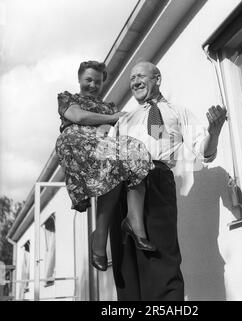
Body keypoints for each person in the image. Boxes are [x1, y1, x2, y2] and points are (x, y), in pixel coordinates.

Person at [109, 61, 227, 301]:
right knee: (127, 267)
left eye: (140, 76)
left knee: (160, 259)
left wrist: (214, 132)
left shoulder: (177, 111)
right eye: (132, 79)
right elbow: (109, 156)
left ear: (157, 78)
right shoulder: (124, 119)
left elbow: (204, 151)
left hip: (156, 181)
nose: (135, 82)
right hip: (122, 186)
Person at [55, 61, 157, 272]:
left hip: (104, 146)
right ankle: (100, 236)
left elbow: (121, 127)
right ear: (79, 79)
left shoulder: (109, 105)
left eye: (98, 82)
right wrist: (110, 119)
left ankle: (133, 222)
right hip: (77, 144)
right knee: (114, 159)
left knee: (134, 152)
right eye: (88, 80)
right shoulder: (69, 98)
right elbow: (78, 116)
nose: (93, 85)